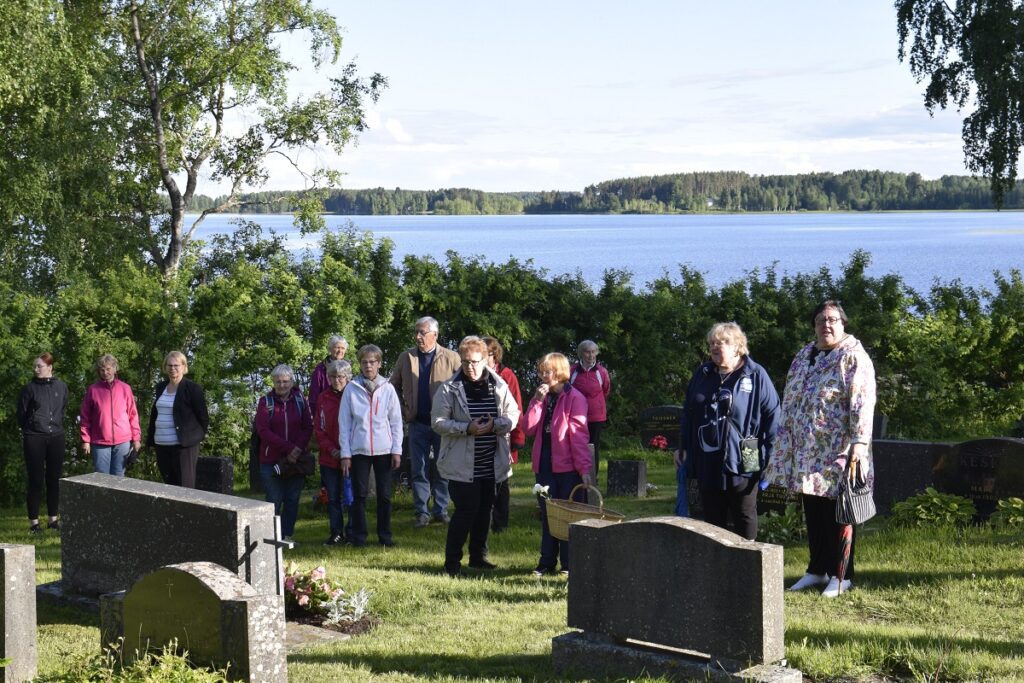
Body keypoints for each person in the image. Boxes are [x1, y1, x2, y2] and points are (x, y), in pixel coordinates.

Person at [764, 300, 876, 598]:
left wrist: (860, 444)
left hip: (838, 451)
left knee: (839, 512)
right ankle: (817, 569)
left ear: (843, 324)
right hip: (806, 452)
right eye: (820, 320)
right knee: (813, 510)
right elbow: (790, 397)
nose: (826, 325)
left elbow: (863, 403)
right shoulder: (805, 355)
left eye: (832, 320)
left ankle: (841, 576)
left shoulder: (853, 357)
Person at [680, 323, 779, 540]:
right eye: (712, 343)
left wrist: (772, 456)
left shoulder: (755, 374)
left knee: (744, 512)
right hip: (707, 452)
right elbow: (689, 412)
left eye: (722, 342)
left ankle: (750, 562)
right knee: (713, 516)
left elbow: (773, 416)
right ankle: (720, 566)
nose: (715, 347)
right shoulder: (703, 373)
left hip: (747, 452)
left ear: (738, 347)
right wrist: (683, 446)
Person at [433, 336, 521, 577]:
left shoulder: (499, 385)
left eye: (474, 362)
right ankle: (452, 563)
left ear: (486, 360)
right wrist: (465, 428)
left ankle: (478, 557)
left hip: (492, 461)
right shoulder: (449, 388)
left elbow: (513, 415)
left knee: (485, 510)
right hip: (462, 463)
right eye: (465, 362)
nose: (469, 367)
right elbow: (438, 423)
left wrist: (497, 423)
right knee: (465, 511)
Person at [524, 352, 593, 576]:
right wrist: (535, 401)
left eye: (549, 370)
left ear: (560, 372)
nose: (544, 375)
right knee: (547, 514)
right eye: (541, 370)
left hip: (568, 466)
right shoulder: (541, 397)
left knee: (568, 516)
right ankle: (546, 562)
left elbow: (579, 436)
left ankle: (569, 563)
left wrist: (584, 469)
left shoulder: (575, 397)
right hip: (544, 463)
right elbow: (528, 429)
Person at [390, 316, 461, 527]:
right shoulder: (406, 357)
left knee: (442, 467)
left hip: (444, 424)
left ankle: (440, 509)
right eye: (417, 332)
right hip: (417, 423)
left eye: (423, 332)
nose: (418, 336)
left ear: (435, 335)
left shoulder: (452, 358)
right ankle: (422, 512)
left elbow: (461, 388)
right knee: (418, 469)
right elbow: (393, 385)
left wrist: (455, 413)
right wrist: (403, 410)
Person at [340, 345, 403, 547]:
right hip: (359, 449)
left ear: (379, 363)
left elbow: (396, 421)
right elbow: (344, 423)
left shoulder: (388, 388)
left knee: (384, 496)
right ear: (360, 364)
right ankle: (359, 537)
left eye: (372, 362)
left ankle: (385, 537)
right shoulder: (351, 388)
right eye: (365, 362)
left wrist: (397, 450)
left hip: (384, 449)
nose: (368, 365)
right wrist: (345, 454)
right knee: (359, 496)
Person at [254, 364, 313, 542]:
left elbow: (308, 426)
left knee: (292, 499)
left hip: (296, 460)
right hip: (271, 460)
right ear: (273, 382)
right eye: (278, 381)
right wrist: (289, 448)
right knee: (274, 499)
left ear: (291, 382)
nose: (282, 385)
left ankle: (286, 535)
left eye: (285, 381)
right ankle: (271, 537)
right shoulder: (265, 402)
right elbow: (263, 431)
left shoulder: (301, 400)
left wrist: (296, 450)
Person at [17, 353, 68, 533]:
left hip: (56, 436)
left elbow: (62, 408)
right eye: (35, 366)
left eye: (39, 366)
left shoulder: (61, 387)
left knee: (54, 479)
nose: (36, 369)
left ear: (49, 367)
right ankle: (34, 523)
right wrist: (32, 428)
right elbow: (21, 415)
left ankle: (53, 520)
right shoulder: (29, 389)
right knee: (36, 479)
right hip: (34, 437)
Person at [145, 351, 209, 488]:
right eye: (169, 365)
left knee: (185, 488)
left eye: (176, 365)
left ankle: (189, 510)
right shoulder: (160, 387)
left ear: (184, 367)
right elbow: (156, 414)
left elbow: (203, 418)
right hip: (161, 445)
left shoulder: (192, 389)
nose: (172, 368)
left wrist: (195, 437)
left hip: (183, 447)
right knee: (169, 486)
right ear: (165, 367)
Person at [481, 336, 526, 534]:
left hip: (504, 435)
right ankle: (482, 520)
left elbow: (516, 408)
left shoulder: (507, 375)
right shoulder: (474, 374)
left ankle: (500, 523)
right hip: (481, 434)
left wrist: (517, 438)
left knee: (501, 481)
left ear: (494, 355)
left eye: (486, 355)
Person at [80, 354, 142, 476]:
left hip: (123, 441)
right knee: (101, 477)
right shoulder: (93, 390)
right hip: (100, 441)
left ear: (114, 368)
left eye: (108, 369)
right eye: (102, 370)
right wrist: (85, 440)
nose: (105, 372)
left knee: (118, 476)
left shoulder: (125, 388)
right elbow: (85, 416)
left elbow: (133, 414)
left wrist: (136, 438)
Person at [314, 359, 353, 545]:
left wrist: (347, 450)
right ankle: (336, 533)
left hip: (352, 455)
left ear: (347, 377)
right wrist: (332, 449)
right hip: (329, 457)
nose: (336, 380)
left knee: (352, 497)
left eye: (340, 376)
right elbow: (319, 430)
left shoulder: (354, 394)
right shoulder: (323, 398)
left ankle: (353, 532)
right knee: (333, 497)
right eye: (333, 376)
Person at [569, 340, 611, 483]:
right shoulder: (572, 371)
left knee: (593, 446)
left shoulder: (602, 372)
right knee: (576, 444)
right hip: (576, 416)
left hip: (596, 417)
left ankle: (593, 476)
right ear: (581, 353)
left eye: (593, 352)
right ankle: (577, 475)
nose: (590, 355)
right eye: (587, 352)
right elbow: (567, 391)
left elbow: (605, 390)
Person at [308, 335, 349, 415]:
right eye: (337, 347)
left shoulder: (348, 367)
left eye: (343, 348)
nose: (340, 351)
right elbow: (313, 396)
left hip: (345, 412)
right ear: (330, 349)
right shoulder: (320, 369)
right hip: (326, 413)